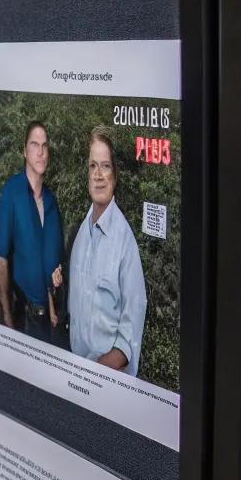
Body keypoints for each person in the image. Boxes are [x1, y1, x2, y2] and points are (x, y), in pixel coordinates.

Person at [68, 127, 147, 376]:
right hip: (77, 377)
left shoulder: (125, 242)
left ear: (116, 175)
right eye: (93, 166)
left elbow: (128, 338)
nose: (98, 175)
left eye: (105, 166)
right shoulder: (80, 233)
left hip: (107, 386)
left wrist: (93, 375)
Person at [0, 121, 65, 342]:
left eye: (45, 145)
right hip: (23, 319)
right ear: (24, 151)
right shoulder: (12, 192)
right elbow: (1, 260)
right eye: (35, 145)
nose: (41, 152)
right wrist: (7, 322)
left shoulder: (52, 202)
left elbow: (46, 263)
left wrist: (53, 307)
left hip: (49, 322)